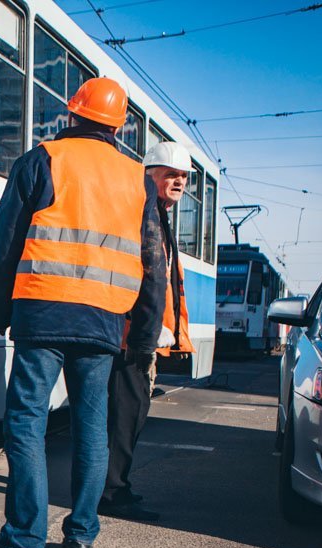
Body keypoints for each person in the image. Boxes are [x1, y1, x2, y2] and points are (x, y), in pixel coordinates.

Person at [0, 77, 166, 548]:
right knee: (91, 429)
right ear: (118, 127)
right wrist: (143, 337)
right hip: (104, 320)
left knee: (27, 423)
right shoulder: (136, 176)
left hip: (42, 313)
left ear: (72, 114)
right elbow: (152, 262)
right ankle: (80, 537)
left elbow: (6, 246)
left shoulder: (41, 159)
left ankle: (24, 543)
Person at [98, 141, 196, 522]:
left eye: (183, 176)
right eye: (170, 174)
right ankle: (110, 492)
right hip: (129, 337)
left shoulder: (161, 217)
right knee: (124, 416)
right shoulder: (142, 213)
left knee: (131, 416)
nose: (179, 182)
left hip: (143, 336)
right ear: (149, 175)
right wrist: (142, 334)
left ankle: (113, 486)